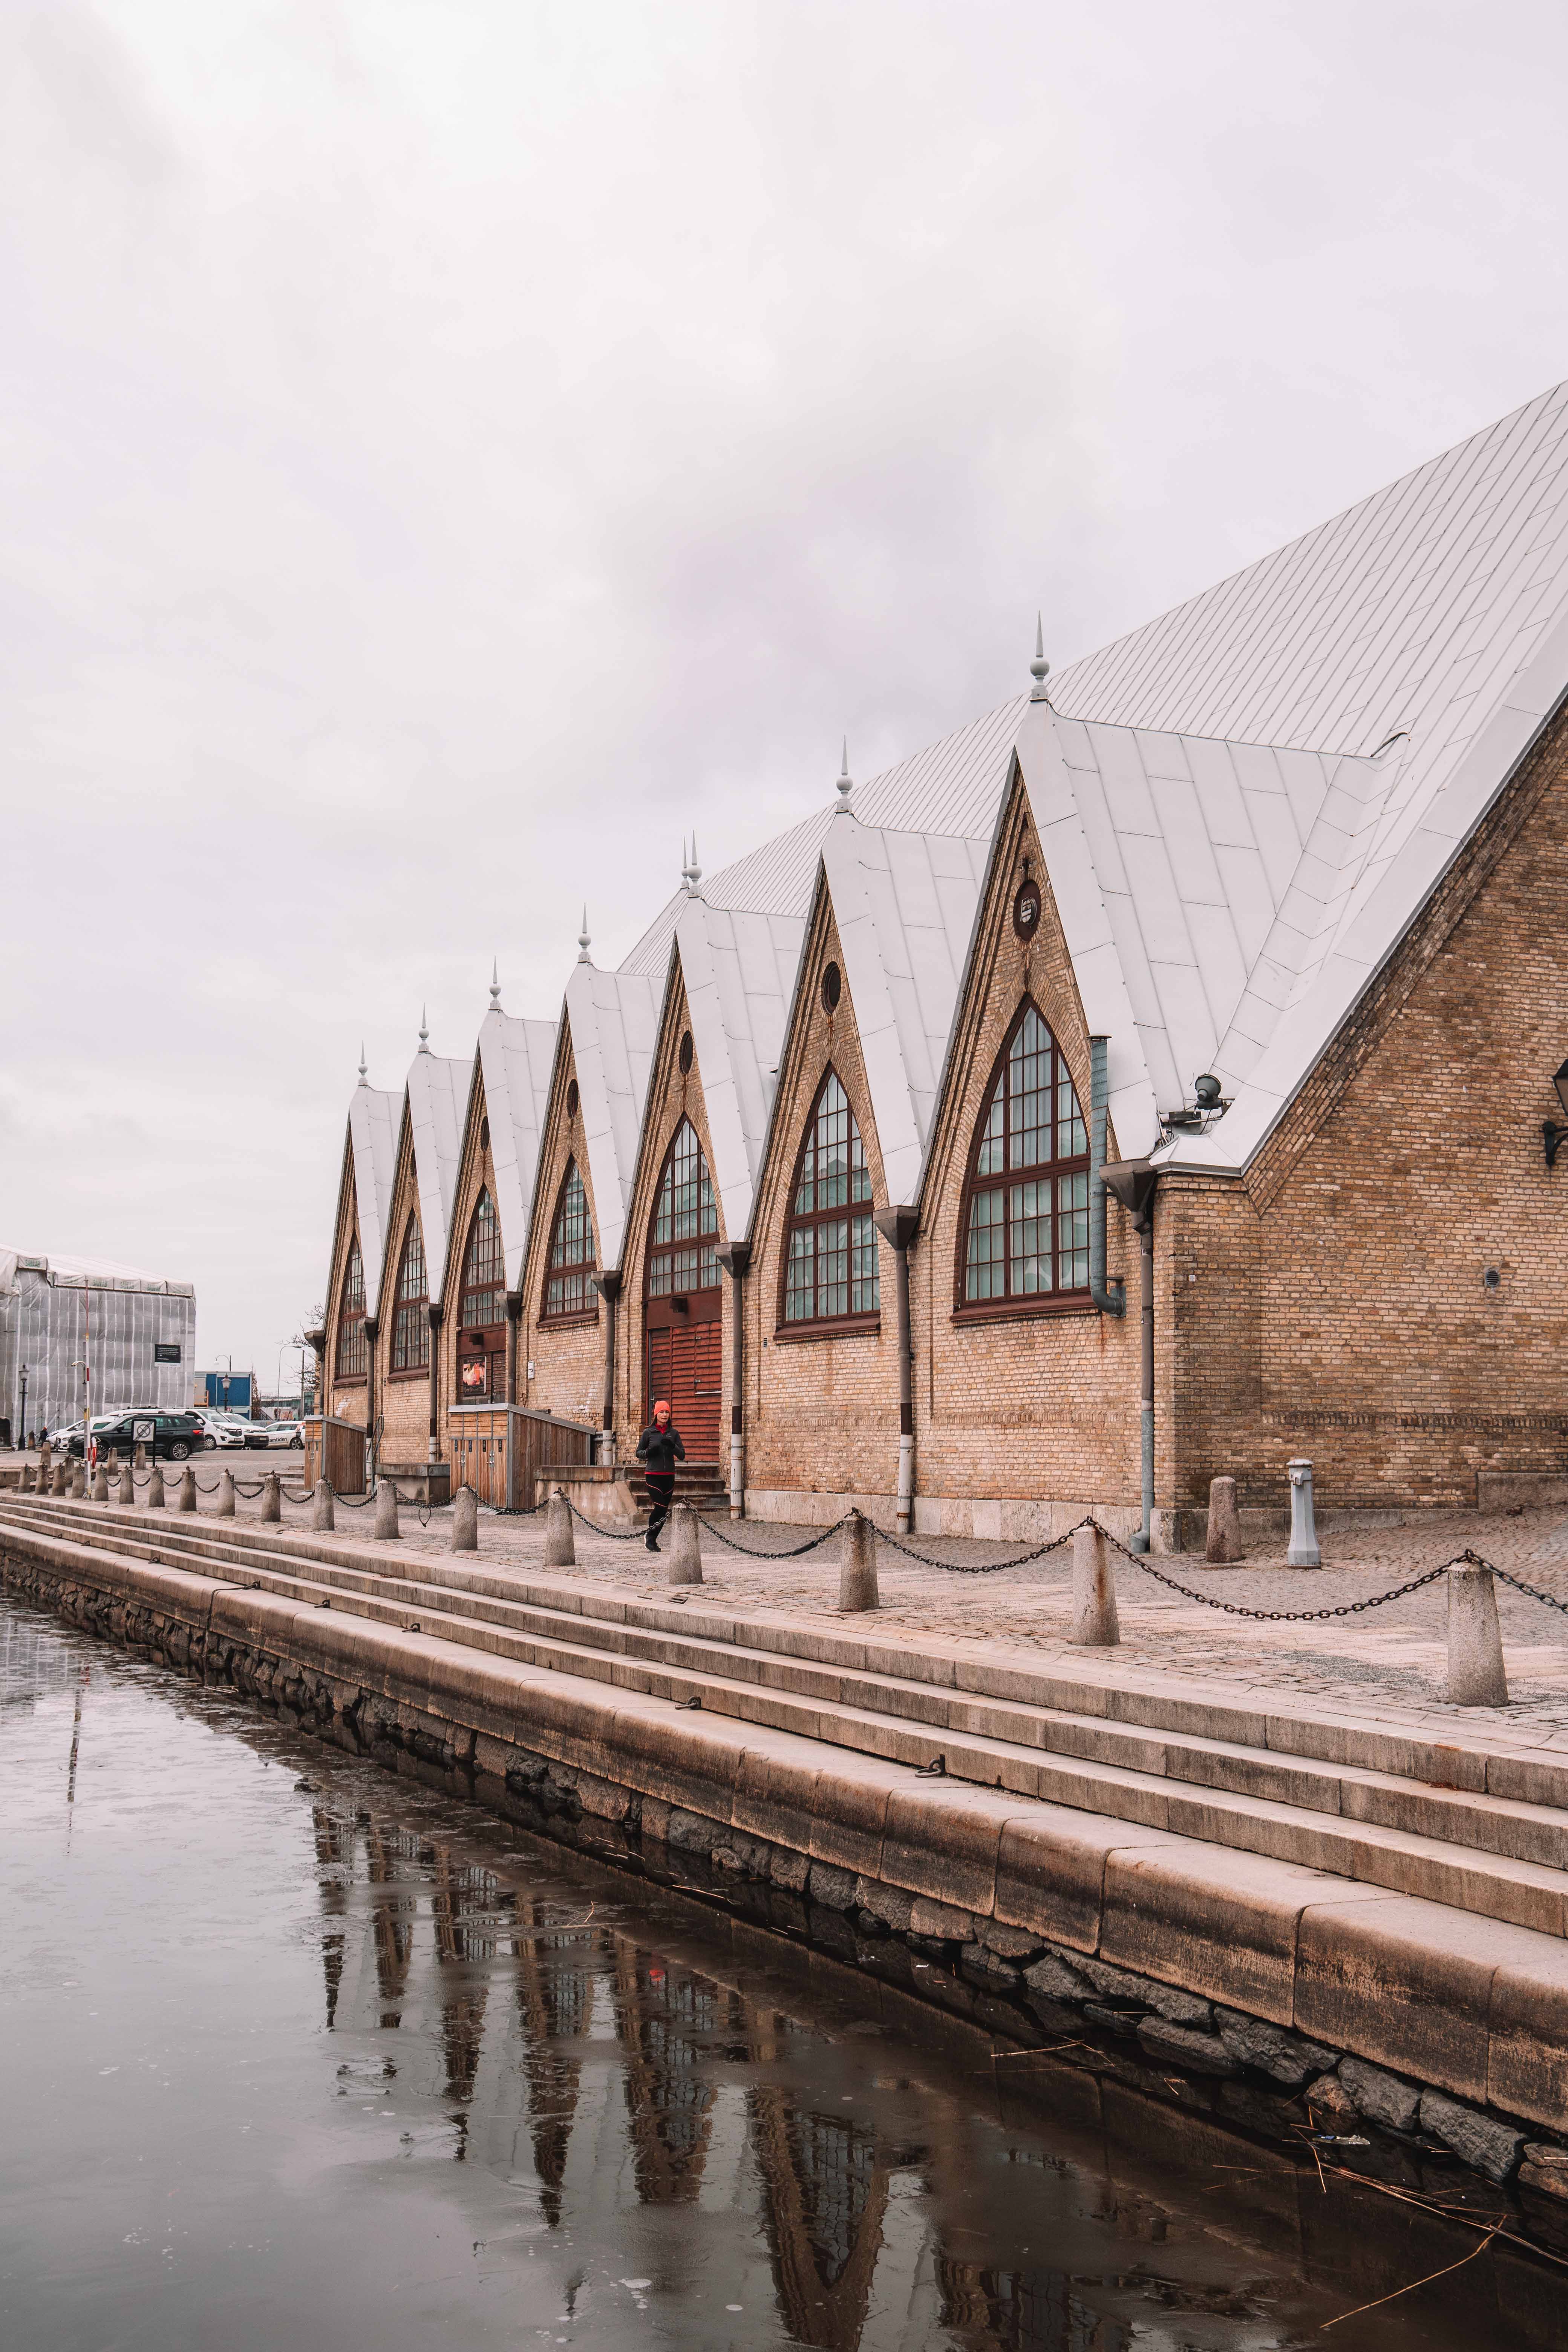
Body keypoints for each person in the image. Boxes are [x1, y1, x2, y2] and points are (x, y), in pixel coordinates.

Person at [636, 1398, 684, 1551]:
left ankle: (653, 1539)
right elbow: (639, 1453)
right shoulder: (648, 1433)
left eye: (667, 1412)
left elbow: (682, 1455)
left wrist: (673, 1446)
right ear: (656, 1414)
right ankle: (650, 1537)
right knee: (661, 1507)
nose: (664, 1415)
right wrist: (649, 1452)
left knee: (663, 1510)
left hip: (669, 1475)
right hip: (653, 1474)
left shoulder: (674, 1433)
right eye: (662, 1412)